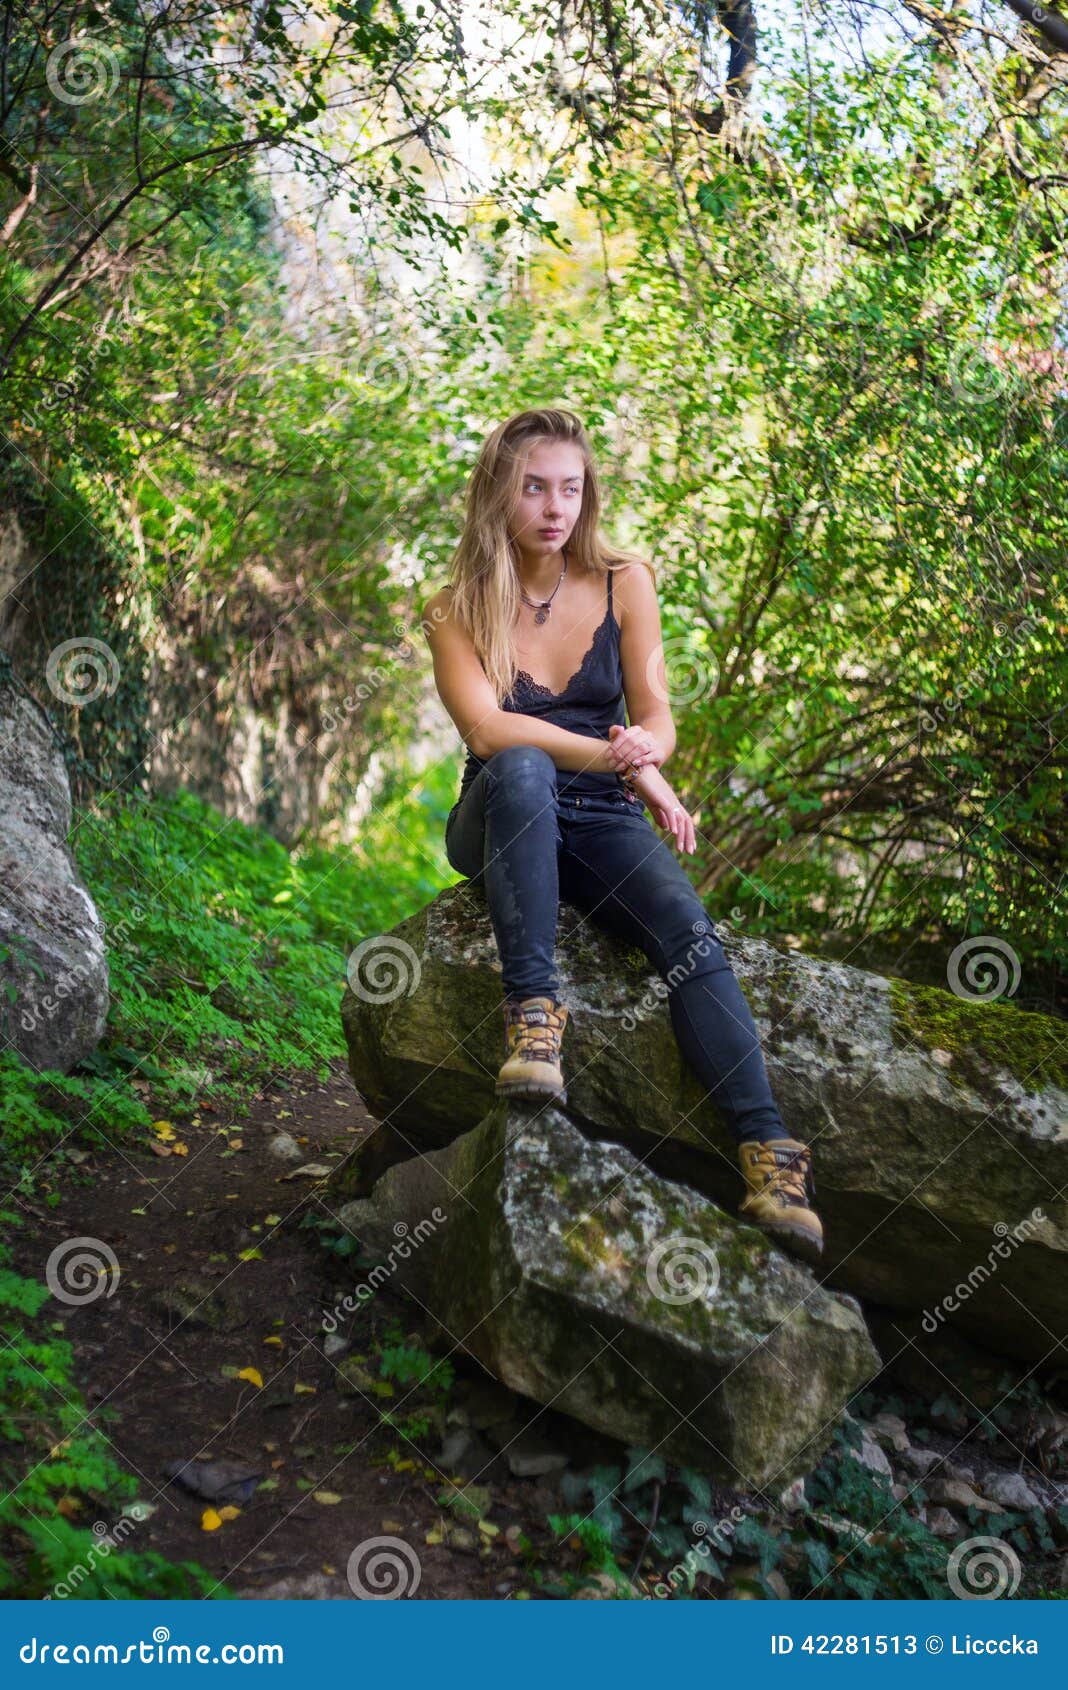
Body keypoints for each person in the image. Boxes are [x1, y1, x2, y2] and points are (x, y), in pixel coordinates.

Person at [421, 408, 822, 1263]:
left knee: (686, 930)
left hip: (602, 819)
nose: (554, 507)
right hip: (499, 809)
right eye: (534, 487)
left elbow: (657, 716)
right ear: (498, 493)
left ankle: (770, 1154)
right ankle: (534, 1015)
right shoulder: (454, 606)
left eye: (570, 488)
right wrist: (618, 760)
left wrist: (646, 754)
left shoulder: (624, 581)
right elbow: (492, 735)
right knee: (525, 767)